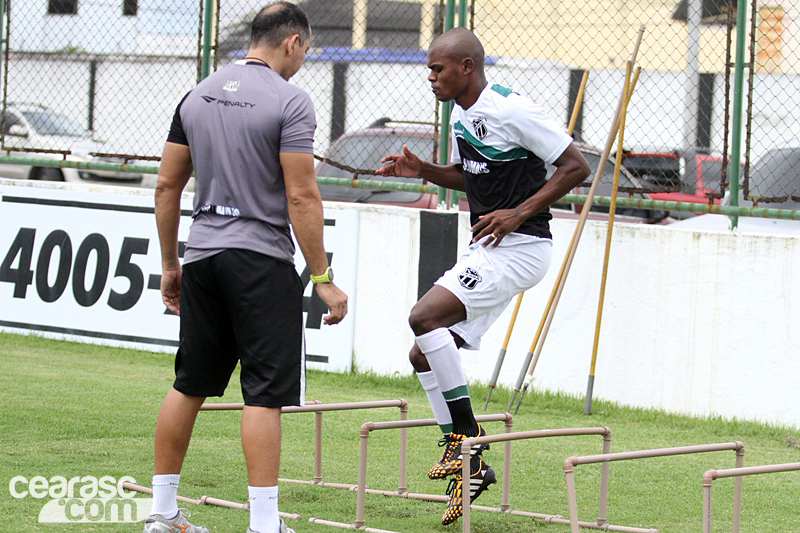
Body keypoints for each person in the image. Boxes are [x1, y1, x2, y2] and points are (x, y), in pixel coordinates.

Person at [146, 3, 348, 533]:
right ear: (293, 44)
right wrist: (323, 279)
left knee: (189, 382)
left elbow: (167, 185)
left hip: (204, 258)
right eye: (306, 51)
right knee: (264, 394)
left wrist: (172, 265)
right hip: (261, 262)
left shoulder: (197, 93)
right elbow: (302, 198)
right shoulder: (291, 101)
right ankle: (264, 525)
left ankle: (162, 514)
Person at [376, 27, 590, 525]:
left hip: (519, 247)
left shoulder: (511, 108)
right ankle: (469, 462)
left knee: (423, 317)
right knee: (423, 352)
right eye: (429, 68)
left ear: (467, 67)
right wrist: (423, 169)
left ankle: (465, 447)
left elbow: (576, 165)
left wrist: (518, 212)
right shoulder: (461, 112)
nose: (430, 77)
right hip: (490, 247)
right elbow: (469, 173)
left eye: (438, 69)